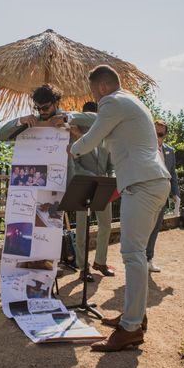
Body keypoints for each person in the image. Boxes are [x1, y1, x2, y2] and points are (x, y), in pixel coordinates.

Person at [68, 65, 171, 352]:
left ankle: (131, 329)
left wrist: (71, 147)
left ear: (101, 87)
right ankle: (134, 317)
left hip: (142, 183)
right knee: (135, 253)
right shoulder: (133, 100)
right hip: (152, 180)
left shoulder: (111, 102)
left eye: (92, 91)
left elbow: (92, 138)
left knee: (132, 254)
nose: (93, 96)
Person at [0, 84, 95, 280]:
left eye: (46, 107)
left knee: (83, 219)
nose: (41, 112)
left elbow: (96, 119)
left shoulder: (67, 117)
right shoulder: (30, 122)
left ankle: (84, 268)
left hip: (66, 182)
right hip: (37, 186)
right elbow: (1, 135)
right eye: (38, 108)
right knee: (40, 227)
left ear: (56, 103)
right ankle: (43, 266)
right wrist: (20, 121)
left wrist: (69, 118)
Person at [72, 101, 115, 281]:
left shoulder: (106, 137)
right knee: (82, 229)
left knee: (106, 225)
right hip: (83, 187)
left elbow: (112, 164)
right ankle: (83, 267)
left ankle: (100, 262)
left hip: (103, 187)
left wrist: (111, 176)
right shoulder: (75, 136)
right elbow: (74, 165)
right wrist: (93, 177)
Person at [145, 119, 180, 273]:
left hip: (163, 195)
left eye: (160, 134)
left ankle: (149, 259)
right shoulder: (145, 148)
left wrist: (176, 194)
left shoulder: (170, 151)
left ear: (164, 135)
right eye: (154, 132)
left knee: (155, 229)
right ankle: (138, 260)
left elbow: (172, 174)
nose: (156, 136)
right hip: (146, 194)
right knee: (143, 228)